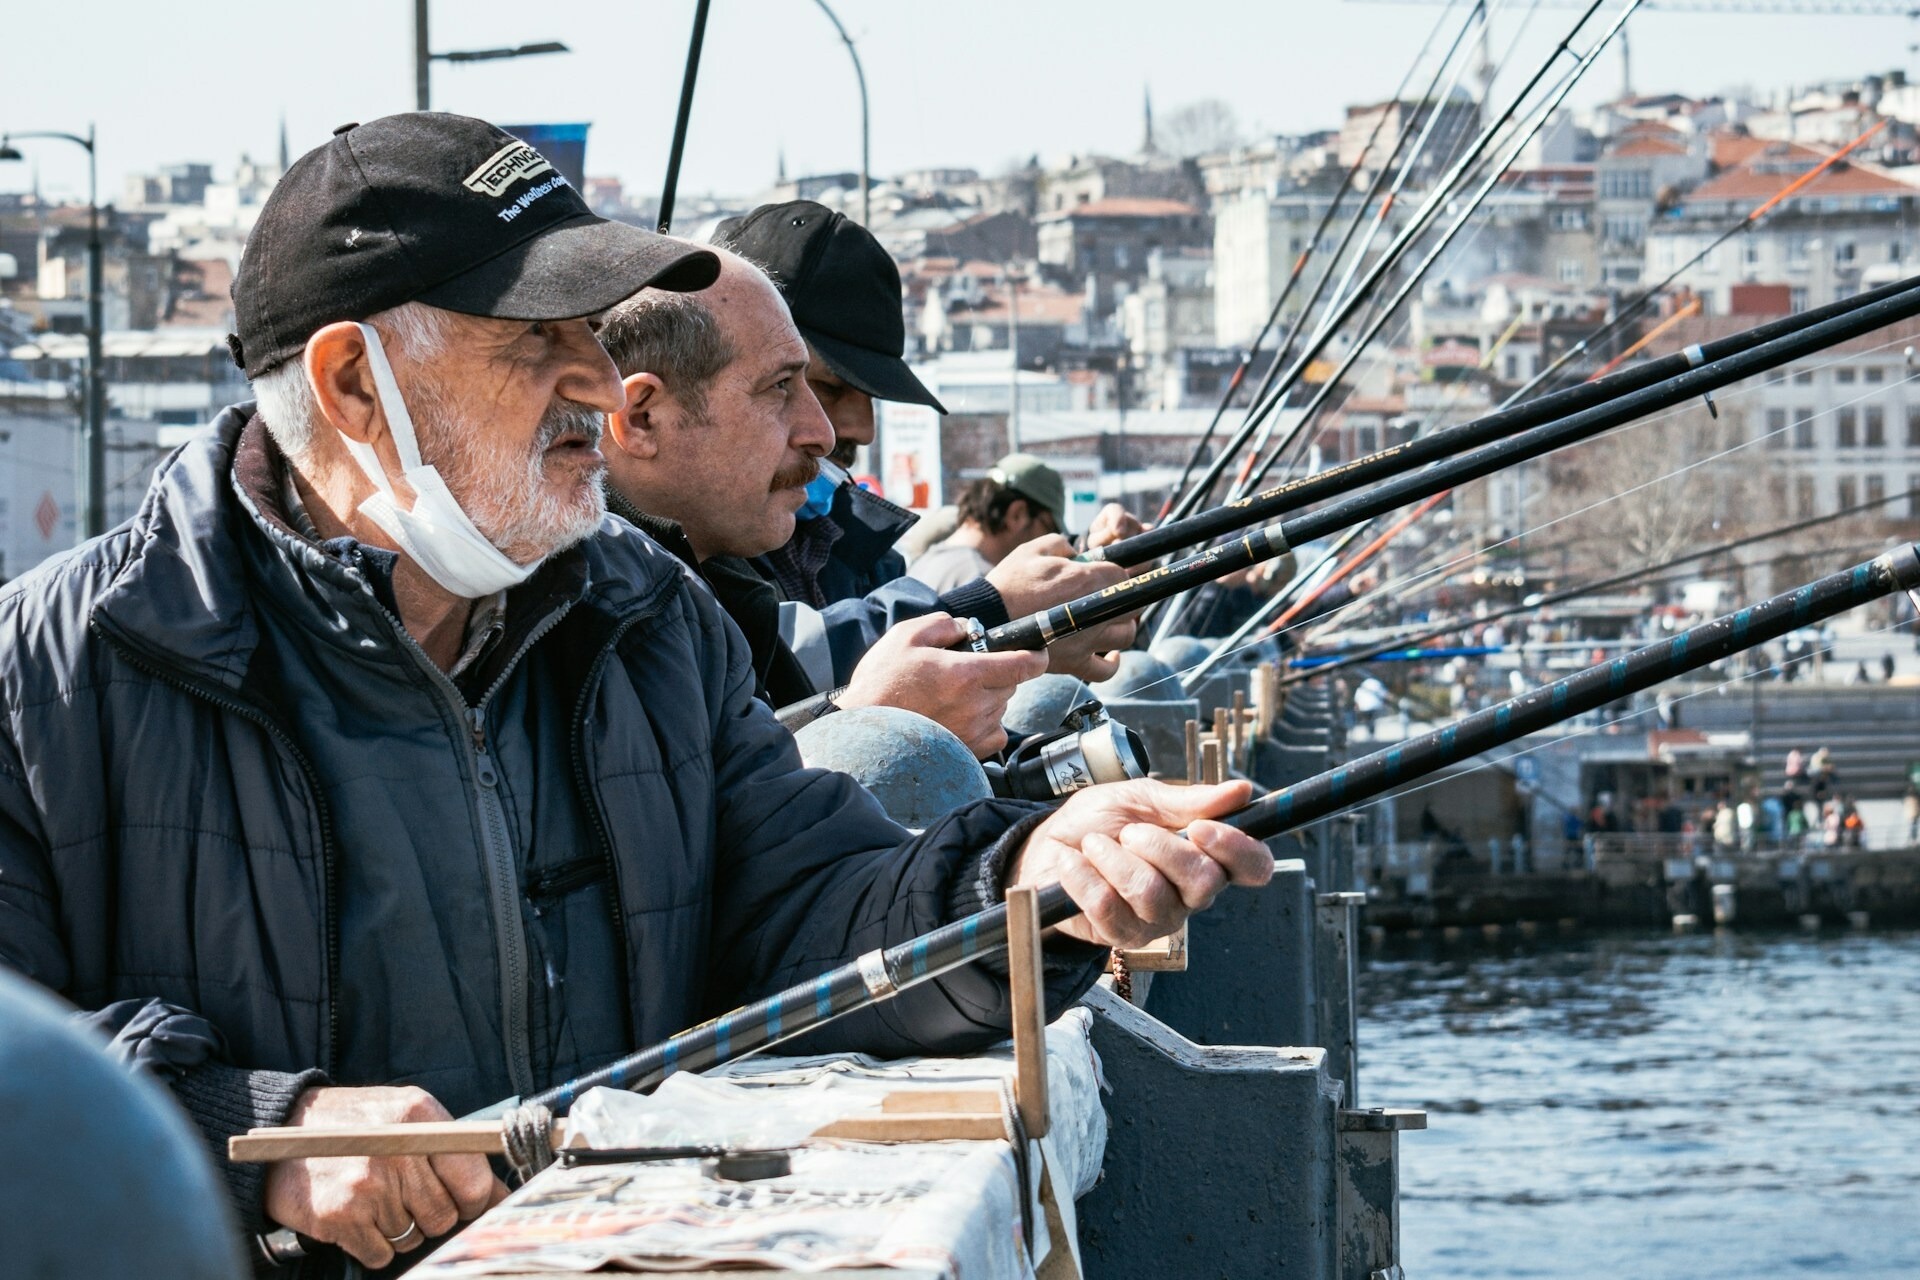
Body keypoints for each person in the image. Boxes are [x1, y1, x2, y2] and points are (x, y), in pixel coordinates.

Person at [0, 114, 1273, 1274]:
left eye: (597, 342)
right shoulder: (47, 676)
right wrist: (270, 1131)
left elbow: (804, 898)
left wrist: (1024, 884)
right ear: (350, 384)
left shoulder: (642, 617)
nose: (603, 390)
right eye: (539, 340)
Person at [595, 249, 1044, 756]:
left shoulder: (716, 592)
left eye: (814, 386)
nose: (826, 434)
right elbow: (703, 815)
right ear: (642, 419)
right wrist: (869, 728)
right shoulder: (580, 620)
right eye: (780, 387)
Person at [715, 201, 1143, 685]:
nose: (860, 429)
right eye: (823, 386)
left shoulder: (865, 553)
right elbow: (765, 680)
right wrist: (993, 613)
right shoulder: (670, 554)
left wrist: (1073, 584)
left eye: (872, 395)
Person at [910, 454, 1069, 591]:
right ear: (1017, 514)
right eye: (1049, 529)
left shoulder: (923, 563)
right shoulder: (982, 583)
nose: (1048, 542)